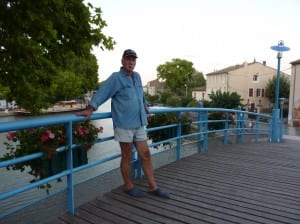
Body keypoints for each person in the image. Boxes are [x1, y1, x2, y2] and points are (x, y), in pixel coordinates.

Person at [76, 49, 170, 198]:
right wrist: (90, 108)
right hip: (124, 123)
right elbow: (103, 93)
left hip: (139, 122)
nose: (131, 62)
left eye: (133, 60)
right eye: (128, 59)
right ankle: (128, 185)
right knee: (126, 155)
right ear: (122, 61)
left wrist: (145, 105)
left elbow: (140, 95)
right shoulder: (116, 78)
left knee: (145, 154)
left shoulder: (138, 77)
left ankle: (153, 186)